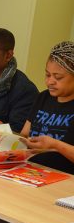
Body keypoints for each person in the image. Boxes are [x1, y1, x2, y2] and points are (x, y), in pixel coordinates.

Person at [21, 41, 74, 174]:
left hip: (64, 179)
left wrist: (55, 145)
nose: (49, 81)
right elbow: (24, 134)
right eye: (47, 75)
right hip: (31, 170)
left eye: (58, 77)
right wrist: (2, 133)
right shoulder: (43, 97)